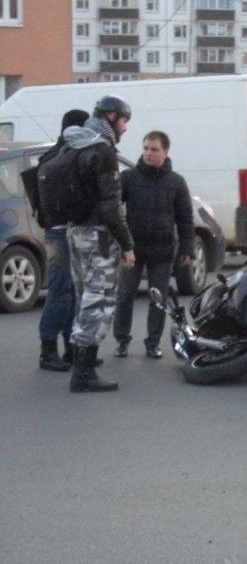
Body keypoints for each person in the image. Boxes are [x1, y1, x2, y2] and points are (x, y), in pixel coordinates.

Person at [63, 96, 136, 392]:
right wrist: (127, 243)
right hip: (99, 236)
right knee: (100, 301)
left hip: (76, 232)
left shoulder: (73, 143)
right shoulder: (102, 151)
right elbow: (111, 207)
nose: (126, 128)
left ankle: (81, 360)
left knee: (84, 297)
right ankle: (82, 373)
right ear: (109, 117)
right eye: (123, 120)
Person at [114, 131, 194, 359]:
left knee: (158, 299)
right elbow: (114, 209)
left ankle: (153, 343)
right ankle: (121, 340)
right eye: (146, 148)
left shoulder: (176, 182)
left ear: (165, 152)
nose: (149, 153)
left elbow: (185, 218)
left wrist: (187, 248)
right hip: (133, 249)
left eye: (154, 149)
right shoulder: (129, 177)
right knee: (125, 296)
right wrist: (119, 241)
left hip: (163, 250)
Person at [31, 110, 90, 372]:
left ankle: (70, 349)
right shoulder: (66, 157)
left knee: (71, 290)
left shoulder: (51, 156)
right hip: (62, 231)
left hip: (58, 231)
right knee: (61, 289)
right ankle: (49, 349)